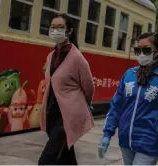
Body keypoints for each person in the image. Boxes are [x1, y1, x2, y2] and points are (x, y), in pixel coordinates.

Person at [98, 32, 158, 165]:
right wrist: (107, 133)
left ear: (157, 52)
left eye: (146, 50)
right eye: (137, 50)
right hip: (126, 141)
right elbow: (116, 106)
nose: (141, 53)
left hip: (149, 143)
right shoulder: (129, 75)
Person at [38, 13, 94, 165]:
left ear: (69, 31)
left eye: (60, 27)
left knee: (46, 161)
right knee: (66, 158)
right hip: (51, 115)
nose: (55, 31)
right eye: (52, 27)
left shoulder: (77, 58)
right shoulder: (50, 56)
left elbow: (88, 88)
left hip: (66, 119)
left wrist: (80, 109)